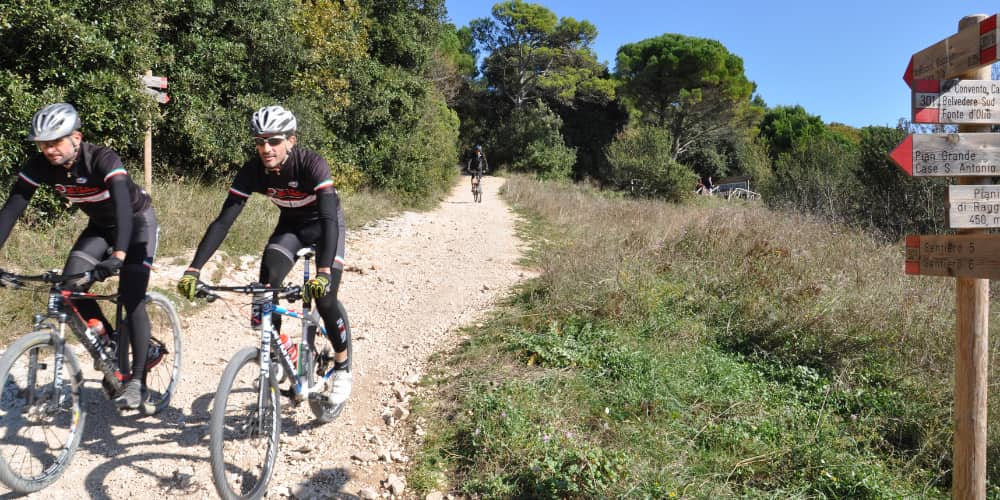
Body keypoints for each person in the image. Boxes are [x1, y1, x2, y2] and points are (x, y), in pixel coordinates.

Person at [176, 105, 351, 407]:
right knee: (265, 287)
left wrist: (323, 272)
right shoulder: (252, 170)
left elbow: (329, 219)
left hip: (325, 227)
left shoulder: (312, 165)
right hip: (291, 227)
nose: (266, 148)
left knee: (325, 298)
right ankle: (279, 352)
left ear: (291, 141)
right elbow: (223, 222)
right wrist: (194, 268)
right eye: (260, 142)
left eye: (274, 141)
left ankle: (343, 367)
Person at [0, 103, 159, 410]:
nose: (49, 150)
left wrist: (120, 254)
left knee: (131, 294)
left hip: (137, 225)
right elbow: (11, 210)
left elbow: (125, 207)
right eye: (43, 144)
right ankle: (112, 347)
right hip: (99, 228)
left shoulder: (101, 159)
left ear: (76, 137)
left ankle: (138, 381)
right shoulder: (41, 166)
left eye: (55, 142)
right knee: (67, 290)